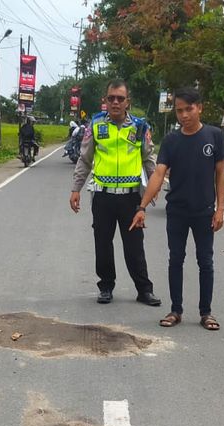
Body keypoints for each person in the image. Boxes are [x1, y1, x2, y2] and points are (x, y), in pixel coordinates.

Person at [132, 87, 224, 331]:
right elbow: (159, 173)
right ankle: (176, 310)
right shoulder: (171, 141)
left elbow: (220, 173)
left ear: (200, 108)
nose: (184, 115)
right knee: (176, 259)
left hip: (204, 211)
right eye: (179, 110)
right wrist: (142, 206)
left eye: (189, 109)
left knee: (205, 261)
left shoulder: (214, 136)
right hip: (177, 211)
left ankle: (206, 312)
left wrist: (220, 210)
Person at [69, 80, 160, 306]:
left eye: (120, 98)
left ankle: (144, 290)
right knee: (103, 244)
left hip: (131, 198)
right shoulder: (95, 125)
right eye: (111, 98)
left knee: (134, 246)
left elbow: (149, 159)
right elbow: (85, 159)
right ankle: (106, 287)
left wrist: (153, 186)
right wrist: (76, 188)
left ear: (128, 101)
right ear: (105, 101)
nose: (116, 102)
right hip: (103, 197)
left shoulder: (140, 127)